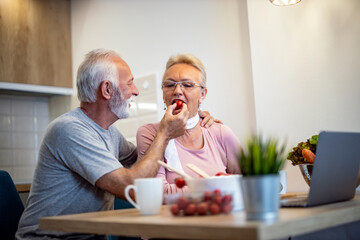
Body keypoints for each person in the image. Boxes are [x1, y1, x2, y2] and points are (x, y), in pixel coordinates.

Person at [15, 49, 216, 240]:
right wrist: (164, 134)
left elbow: (149, 160)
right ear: (107, 89)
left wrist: (195, 124)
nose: (135, 91)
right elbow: (132, 184)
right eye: (130, 83)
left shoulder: (109, 133)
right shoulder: (69, 129)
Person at [136, 53, 241, 194]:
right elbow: (157, 193)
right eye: (169, 85)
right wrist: (218, 185)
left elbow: (250, 182)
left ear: (202, 95)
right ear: (162, 92)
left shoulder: (221, 133)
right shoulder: (149, 133)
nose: (177, 91)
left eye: (187, 85)